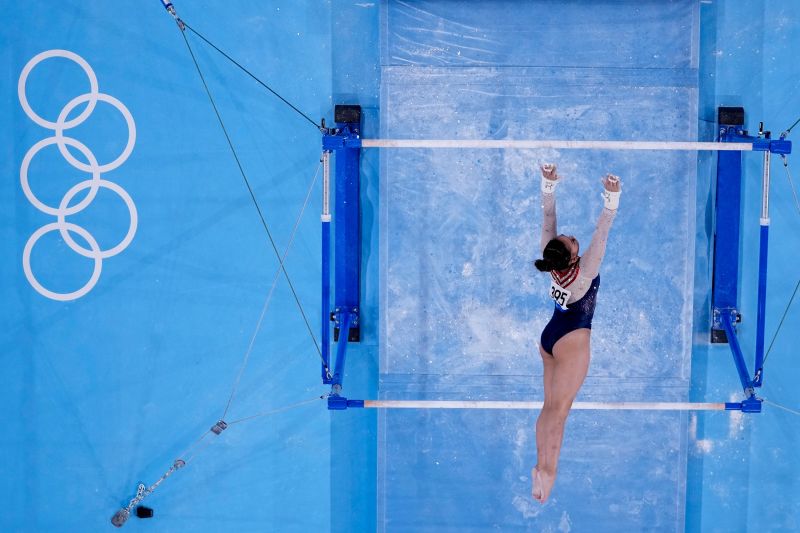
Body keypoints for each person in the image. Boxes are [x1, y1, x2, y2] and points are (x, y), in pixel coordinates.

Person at [531, 163, 621, 503]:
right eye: (571, 242)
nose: (571, 237)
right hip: (569, 342)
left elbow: (547, 221)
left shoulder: (552, 257)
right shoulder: (585, 272)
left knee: (552, 407)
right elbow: (602, 232)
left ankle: (543, 467)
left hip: (552, 337)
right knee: (558, 411)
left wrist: (548, 187)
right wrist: (611, 198)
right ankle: (546, 472)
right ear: (572, 259)